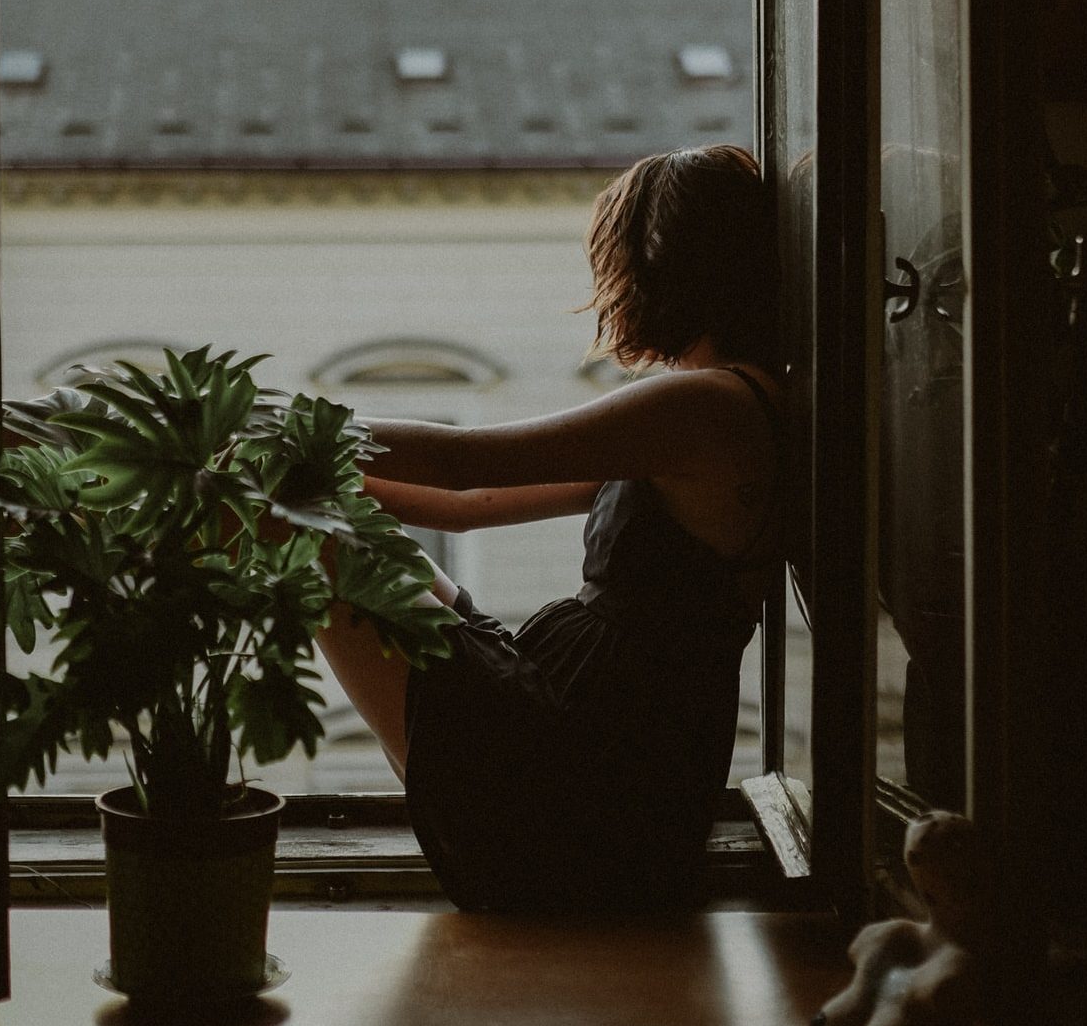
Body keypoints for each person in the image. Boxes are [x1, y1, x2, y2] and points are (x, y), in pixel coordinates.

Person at [315, 144, 793, 912]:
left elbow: (465, 461)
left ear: (655, 268)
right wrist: (323, 484)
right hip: (596, 743)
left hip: (585, 773)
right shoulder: (725, 406)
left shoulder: (704, 408)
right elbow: (463, 506)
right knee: (326, 524)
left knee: (308, 540)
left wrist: (302, 433)